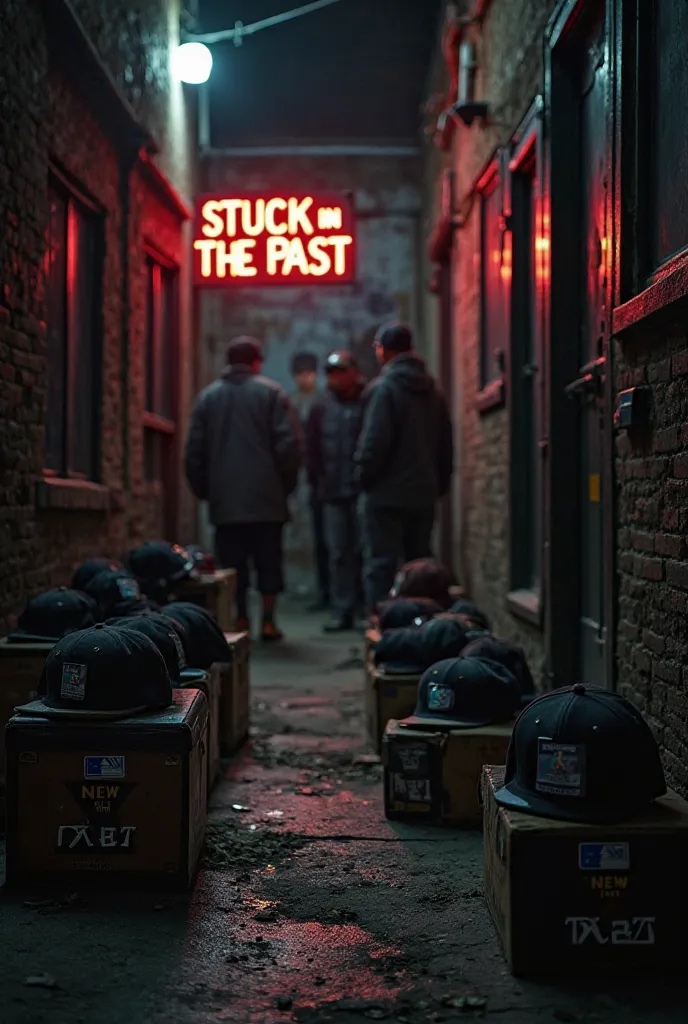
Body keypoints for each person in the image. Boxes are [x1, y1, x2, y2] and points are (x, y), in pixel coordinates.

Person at [184, 336, 302, 642]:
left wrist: (207, 492)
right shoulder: (272, 394)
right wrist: (283, 486)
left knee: (233, 565)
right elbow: (289, 446)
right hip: (267, 499)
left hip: (226, 501)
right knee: (268, 563)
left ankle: (238, 618)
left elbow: (193, 452)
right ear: (256, 361)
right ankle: (268, 620)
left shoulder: (208, 398)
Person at [355, 322, 453, 612]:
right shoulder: (433, 390)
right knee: (420, 565)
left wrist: (363, 478)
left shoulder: (384, 389)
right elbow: (445, 445)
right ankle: (421, 626)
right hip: (422, 492)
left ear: (384, 350)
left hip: (385, 494)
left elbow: (374, 443)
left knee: (381, 564)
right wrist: (438, 485)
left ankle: (384, 627)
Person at [306, 351, 365, 632]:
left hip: (363, 489)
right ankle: (343, 610)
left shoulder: (368, 401)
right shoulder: (321, 408)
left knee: (366, 551)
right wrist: (318, 485)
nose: (336, 378)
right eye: (331, 372)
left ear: (353, 371)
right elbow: (312, 450)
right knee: (339, 553)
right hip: (333, 492)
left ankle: (368, 609)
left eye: (341, 371)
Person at [290, 351, 330, 611]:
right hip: (301, 475)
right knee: (305, 535)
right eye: (301, 372)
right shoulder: (290, 402)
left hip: (322, 476)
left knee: (328, 538)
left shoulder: (325, 400)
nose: (306, 377)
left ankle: (326, 590)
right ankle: (309, 587)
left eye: (309, 372)